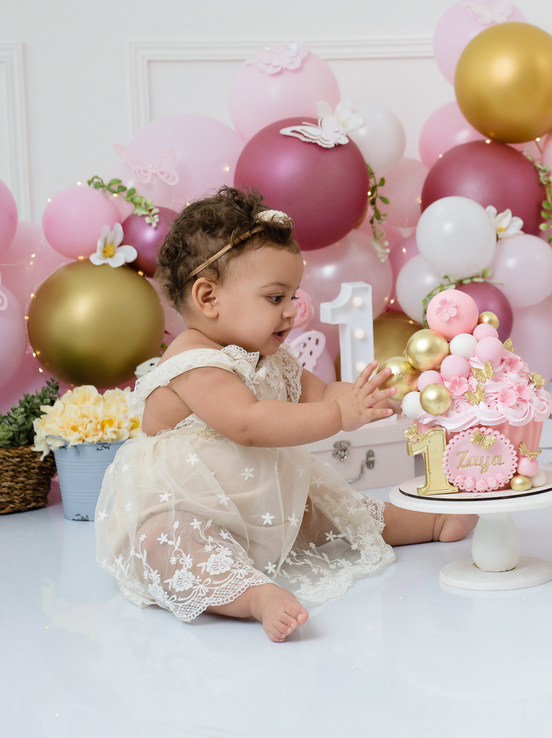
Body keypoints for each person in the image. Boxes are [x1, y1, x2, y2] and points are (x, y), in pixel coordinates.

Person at [96, 187, 476, 641]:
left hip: (263, 499)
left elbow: (321, 393)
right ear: (208, 297)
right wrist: (340, 415)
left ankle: (430, 521)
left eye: (294, 297)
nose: (292, 313)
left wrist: (372, 396)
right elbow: (249, 423)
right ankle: (254, 596)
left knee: (338, 509)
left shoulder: (266, 356)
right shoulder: (194, 362)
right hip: (189, 505)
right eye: (276, 298)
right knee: (166, 544)